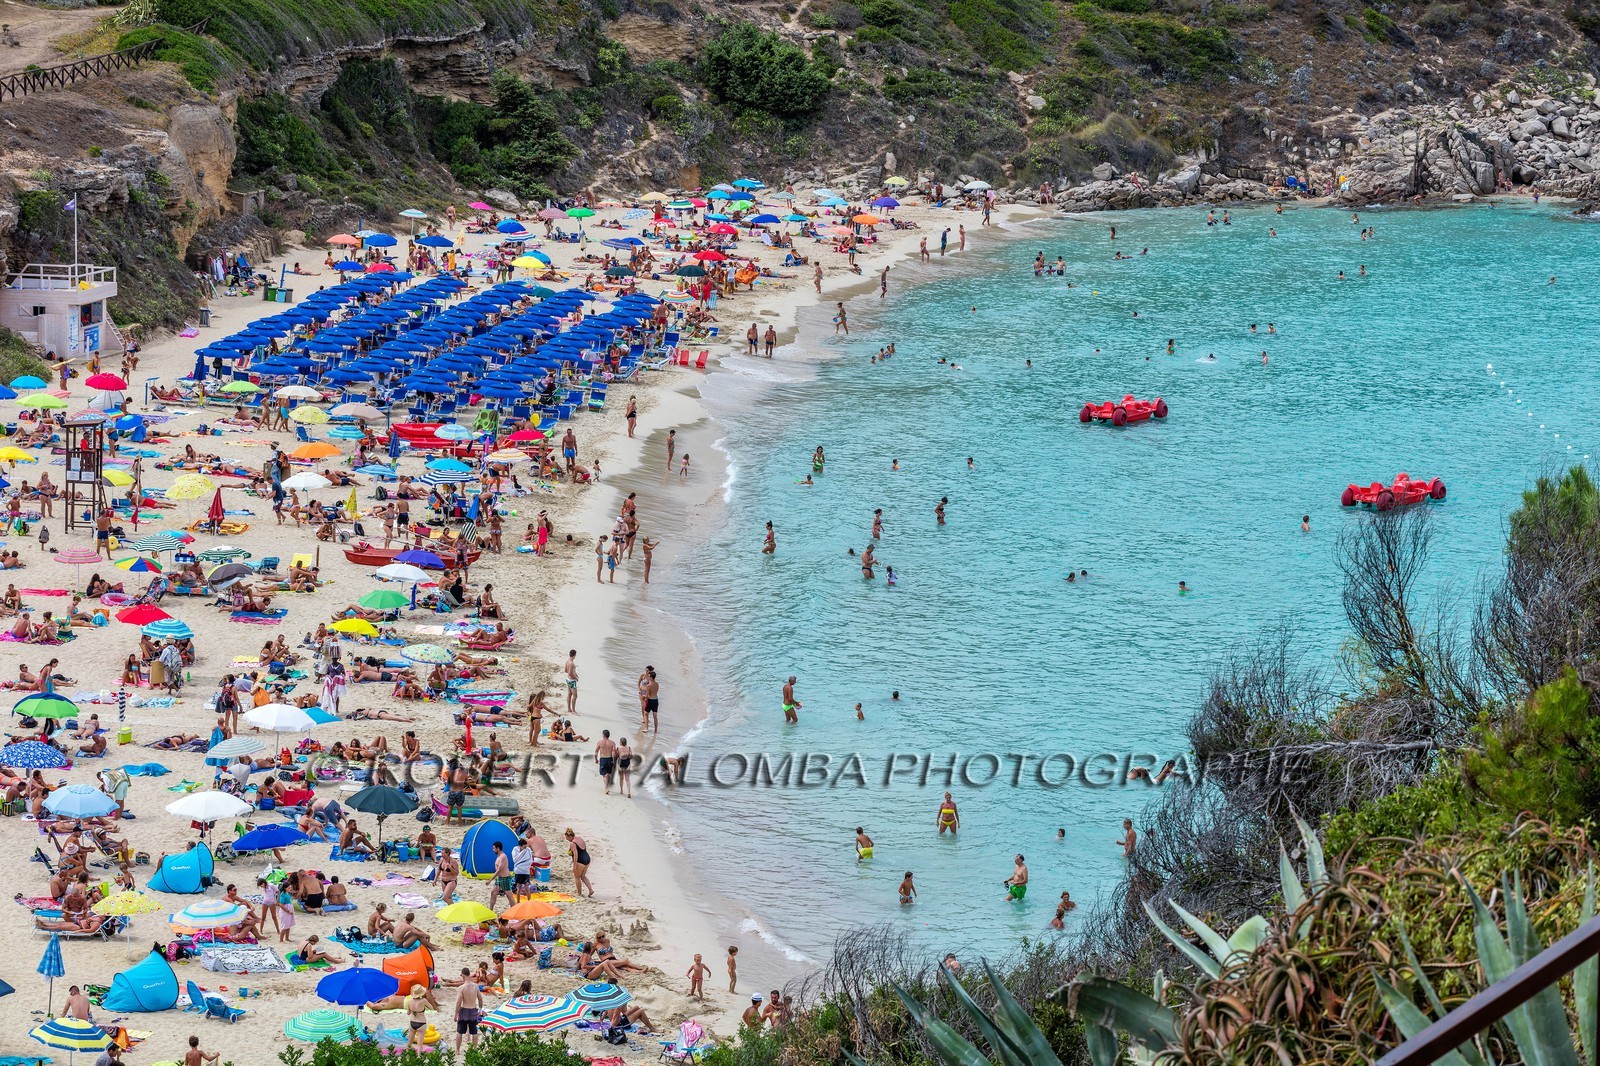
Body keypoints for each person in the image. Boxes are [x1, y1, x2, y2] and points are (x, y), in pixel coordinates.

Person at [454, 973, 483, 1052]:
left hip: (464, 1010)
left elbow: (459, 1002)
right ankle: (475, 1049)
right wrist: (480, 1010)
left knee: (459, 1032)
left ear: (463, 975)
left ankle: (457, 1050)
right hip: (473, 1010)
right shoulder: (475, 986)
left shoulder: (462, 987)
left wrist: (456, 1014)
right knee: (474, 1032)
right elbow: (480, 998)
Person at [405, 983, 431, 1052]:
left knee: (409, 1042)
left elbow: (408, 1013)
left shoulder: (409, 1001)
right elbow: (431, 1008)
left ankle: (406, 1055)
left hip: (412, 1022)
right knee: (419, 1044)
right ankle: (419, 1056)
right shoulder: (423, 1001)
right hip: (421, 1023)